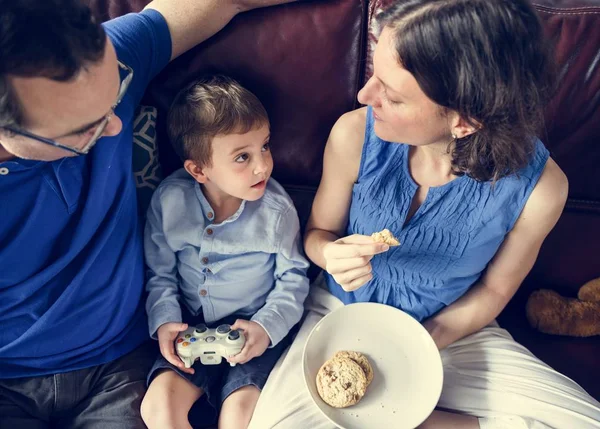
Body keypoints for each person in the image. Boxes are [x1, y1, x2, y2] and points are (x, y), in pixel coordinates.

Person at [248, 1, 600, 428]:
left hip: (452, 331)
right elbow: (318, 233)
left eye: (391, 96)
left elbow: (493, 291)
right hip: (340, 311)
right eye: (374, 75)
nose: (365, 95)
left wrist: (419, 347)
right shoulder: (352, 133)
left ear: (464, 121)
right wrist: (329, 254)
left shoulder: (542, 189)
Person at [0, 1, 301, 428]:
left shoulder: (97, 53)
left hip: (119, 363)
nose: (116, 126)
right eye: (87, 126)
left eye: (116, 91)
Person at [139, 76, 310, 429]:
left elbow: (293, 279)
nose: (262, 165)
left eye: (265, 146)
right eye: (242, 157)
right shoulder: (169, 201)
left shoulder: (277, 211)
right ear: (199, 170)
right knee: (158, 409)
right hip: (189, 325)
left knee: (240, 418)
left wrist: (266, 327)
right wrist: (166, 321)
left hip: (253, 330)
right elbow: (160, 274)